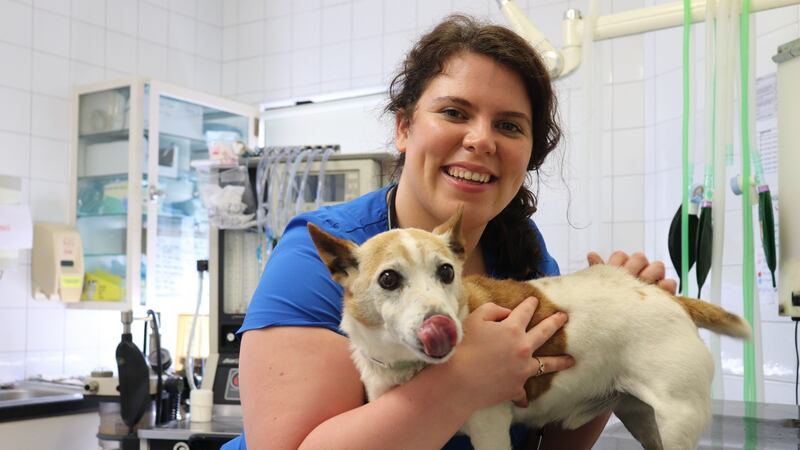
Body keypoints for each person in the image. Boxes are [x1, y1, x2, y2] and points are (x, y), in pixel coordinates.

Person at [221, 14, 676, 450]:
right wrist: (461, 380)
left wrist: (613, 344)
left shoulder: (521, 252)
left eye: (509, 125)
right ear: (403, 127)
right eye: (455, 112)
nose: (482, 140)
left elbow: (547, 438)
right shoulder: (317, 259)